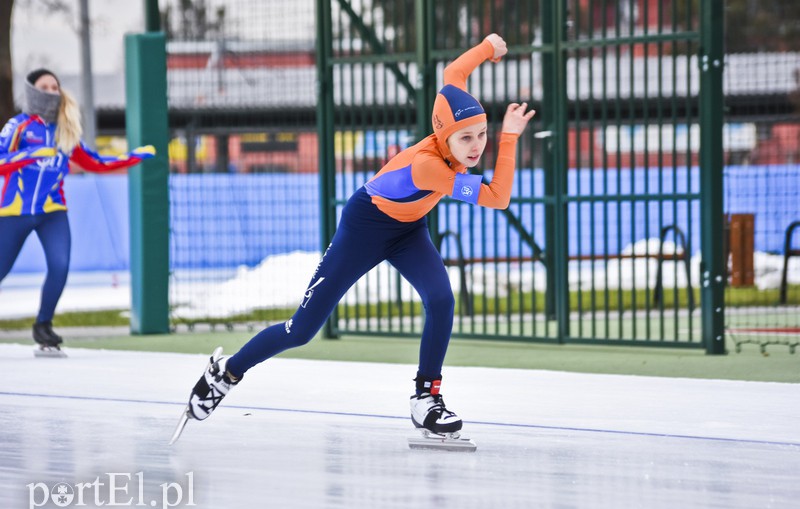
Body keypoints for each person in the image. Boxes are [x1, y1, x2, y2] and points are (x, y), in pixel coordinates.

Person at [183, 34, 536, 437]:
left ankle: (426, 398)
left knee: (441, 299)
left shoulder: (451, 117)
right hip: (364, 227)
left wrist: (488, 47)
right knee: (301, 330)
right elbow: (497, 196)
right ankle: (225, 374)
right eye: (466, 138)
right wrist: (508, 137)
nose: (476, 147)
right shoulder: (427, 166)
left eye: (482, 135)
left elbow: (453, 72)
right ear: (443, 137)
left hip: (408, 230)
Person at [0, 68, 154, 351]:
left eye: (55, 87)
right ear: (33, 90)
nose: (51, 91)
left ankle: (43, 326)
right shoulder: (18, 125)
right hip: (14, 211)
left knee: (60, 266)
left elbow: (95, 162)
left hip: (53, 212)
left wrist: (133, 158)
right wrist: (30, 154)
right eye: (45, 86)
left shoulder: (65, 131)